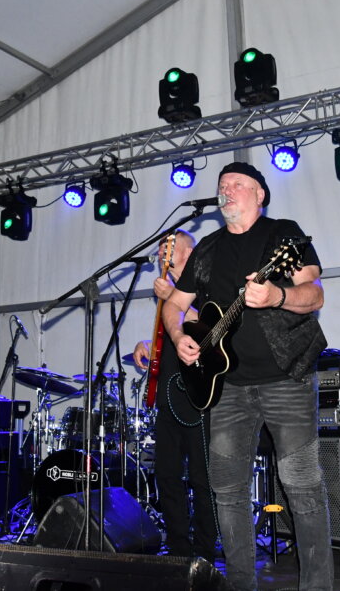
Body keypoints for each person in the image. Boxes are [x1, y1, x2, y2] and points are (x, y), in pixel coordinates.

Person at [162, 162, 331, 591]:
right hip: (227, 388)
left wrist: (277, 295)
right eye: (223, 184)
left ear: (260, 194)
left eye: (238, 184)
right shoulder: (207, 249)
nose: (227, 189)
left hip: (286, 377)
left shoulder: (283, 236)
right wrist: (179, 336)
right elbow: (174, 305)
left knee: (302, 487)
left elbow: (314, 294)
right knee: (228, 491)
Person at [132, 230, 216, 560]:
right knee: (166, 474)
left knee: (201, 476)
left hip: (199, 395)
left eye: (168, 249)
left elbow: (213, 330)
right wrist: (147, 345)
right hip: (168, 395)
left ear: (188, 253)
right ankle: (179, 548)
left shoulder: (207, 286)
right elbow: (170, 336)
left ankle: (206, 548)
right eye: (159, 251)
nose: (161, 256)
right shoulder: (167, 293)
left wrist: (173, 298)